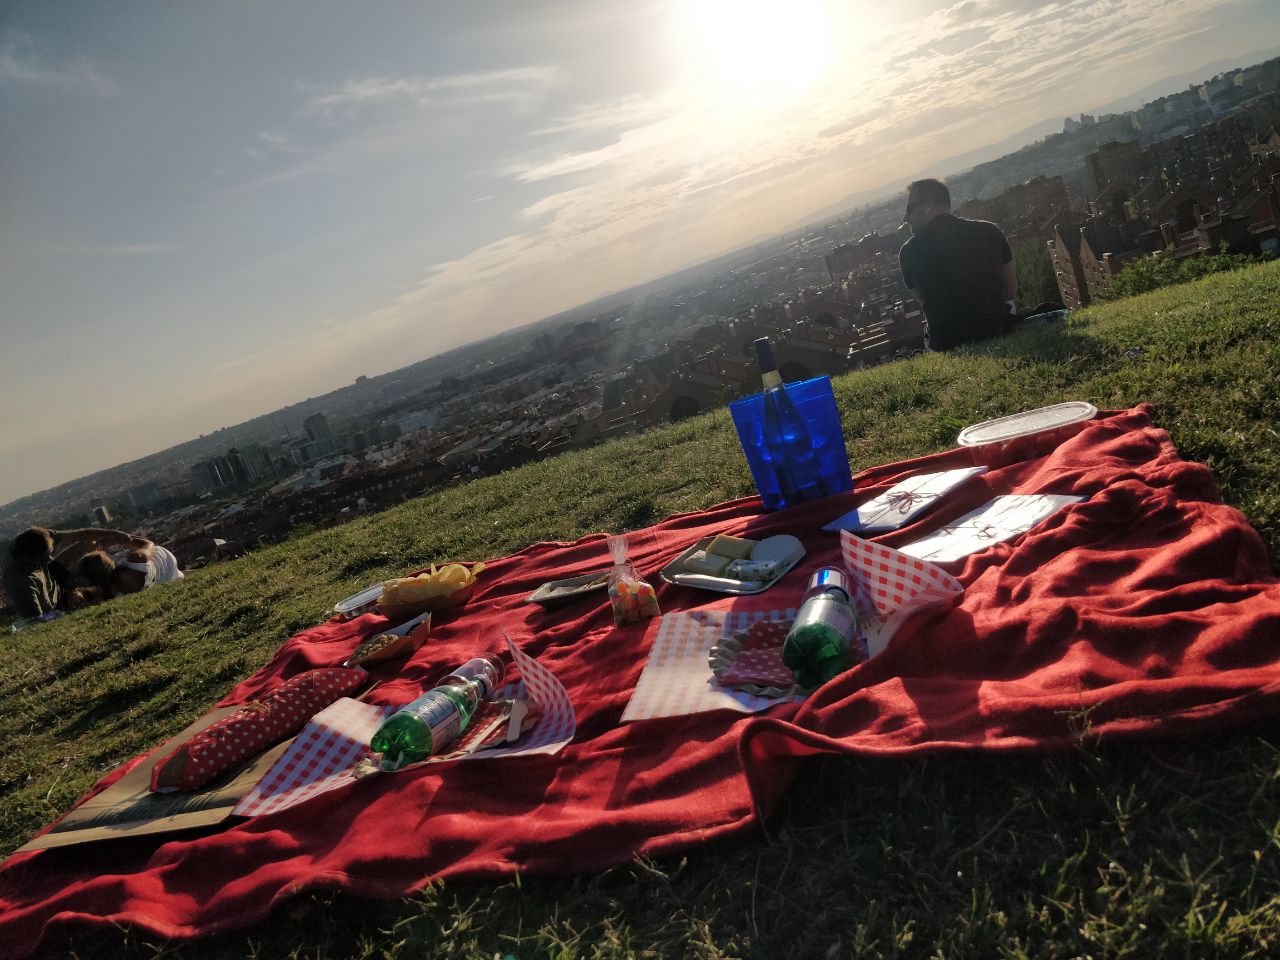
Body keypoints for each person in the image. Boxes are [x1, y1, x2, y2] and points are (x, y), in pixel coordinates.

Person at [898, 178, 1018, 351]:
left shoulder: (908, 253)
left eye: (909, 209)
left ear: (928, 207)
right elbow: (1010, 291)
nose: (905, 218)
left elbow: (925, 301)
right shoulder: (990, 231)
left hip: (947, 343)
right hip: (998, 328)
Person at [2, 526, 149, 618]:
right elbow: (37, 621)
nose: (50, 559)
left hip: (56, 581)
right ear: (31, 560)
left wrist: (114, 534)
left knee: (88, 544)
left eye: (50, 553)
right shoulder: (21, 584)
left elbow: (81, 534)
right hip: (52, 604)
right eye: (45, 558)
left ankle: (89, 588)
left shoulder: (38, 536)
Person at [112, 541, 184, 594]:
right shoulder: (137, 559)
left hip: (165, 566)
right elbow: (149, 544)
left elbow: (149, 543)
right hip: (167, 568)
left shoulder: (137, 559)